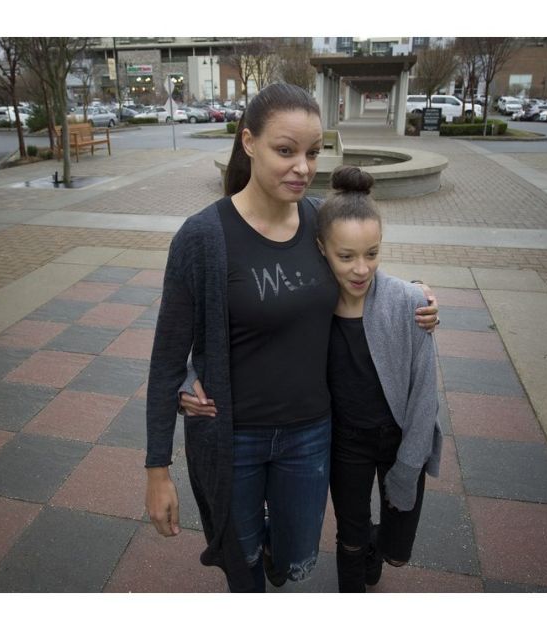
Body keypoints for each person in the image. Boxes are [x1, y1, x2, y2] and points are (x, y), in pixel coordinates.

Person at [144, 83, 440, 593]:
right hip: (233, 435)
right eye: (286, 151)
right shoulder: (203, 237)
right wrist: (157, 469)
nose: (303, 167)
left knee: (295, 556)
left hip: (310, 433)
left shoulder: (319, 220)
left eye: (313, 152)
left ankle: (269, 552)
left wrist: (414, 295)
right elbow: (167, 356)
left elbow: (361, 270)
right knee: (243, 565)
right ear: (248, 142)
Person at [316, 165, 442, 592]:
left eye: (372, 253)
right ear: (322, 248)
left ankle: (378, 544)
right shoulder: (313, 307)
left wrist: (410, 461)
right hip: (345, 441)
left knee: (395, 547)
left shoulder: (409, 303)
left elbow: (425, 392)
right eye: (346, 256)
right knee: (349, 536)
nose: (361, 269)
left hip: (400, 438)